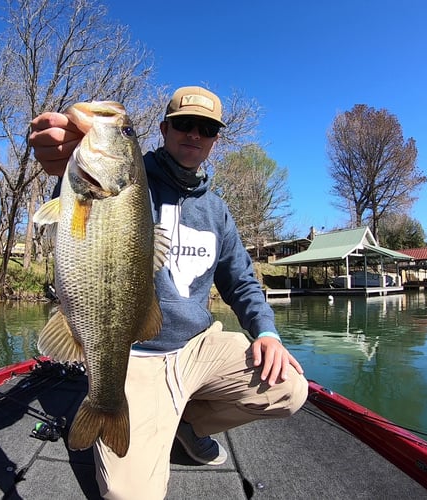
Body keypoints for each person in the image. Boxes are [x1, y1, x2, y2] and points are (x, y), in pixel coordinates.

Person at [29, 86, 308, 500]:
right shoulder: (127, 179)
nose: (194, 134)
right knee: (130, 495)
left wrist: (267, 332)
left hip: (198, 346)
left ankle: (187, 425)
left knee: (289, 387)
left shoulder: (218, 211)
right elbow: (75, 210)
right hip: (135, 355)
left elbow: (242, 282)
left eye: (207, 128)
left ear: (215, 139)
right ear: (163, 129)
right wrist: (62, 162)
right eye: (184, 124)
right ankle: (121, 407)